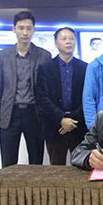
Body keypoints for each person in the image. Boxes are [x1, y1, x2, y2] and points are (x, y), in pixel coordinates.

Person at [0, 11, 51, 167]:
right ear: (14, 29)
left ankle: (34, 185)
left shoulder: (44, 55)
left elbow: (47, 90)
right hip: (9, 114)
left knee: (36, 162)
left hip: (34, 114)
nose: (25, 33)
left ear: (34, 30)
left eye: (29, 28)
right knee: (8, 163)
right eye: (21, 28)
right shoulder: (2, 56)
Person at [35, 27, 88, 165]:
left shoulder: (85, 67)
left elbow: (87, 98)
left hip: (78, 125)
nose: (68, 42)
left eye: (71, 38)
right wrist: (61, 119)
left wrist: (72, 120)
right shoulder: (45, 67)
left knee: (80, 168)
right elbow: (42, 98)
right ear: (56, 43)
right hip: (54, 126)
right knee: (56, 168)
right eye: (64, 39)